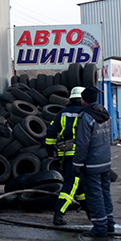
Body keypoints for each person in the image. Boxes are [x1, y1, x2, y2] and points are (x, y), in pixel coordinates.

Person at [72, 86, 114, 237]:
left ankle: (100, 227)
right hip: (105, 160)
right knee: (105, 193)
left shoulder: (85, 117)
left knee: (94, 194)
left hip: (92, 163)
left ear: (83, 100)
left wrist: (77, 164)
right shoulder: (105, 114)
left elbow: (82, 143)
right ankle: (109, 224)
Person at [49, 87, 88, 226]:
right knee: (71, 185)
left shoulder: (62, 113)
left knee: (80, 184)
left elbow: (51, 131)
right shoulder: (85, 113)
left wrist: (51, 149)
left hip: (65, 154)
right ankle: (59, 214)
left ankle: (89, 210)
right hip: (80, 155)